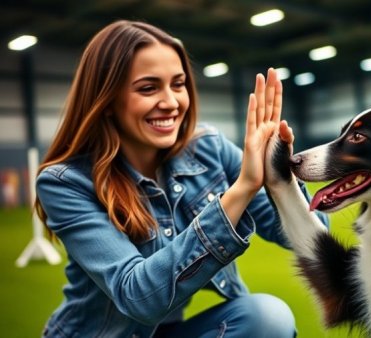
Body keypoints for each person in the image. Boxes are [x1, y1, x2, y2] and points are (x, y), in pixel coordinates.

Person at [34, 20, 326, 338]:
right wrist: (242, 189)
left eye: (178, 84)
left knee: (266, 318)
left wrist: (279, 179)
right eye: (148, 88)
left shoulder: (208, 148)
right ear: (106, 101)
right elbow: (139, 297)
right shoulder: (64, 183)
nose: (171, 102)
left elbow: (311, 237)